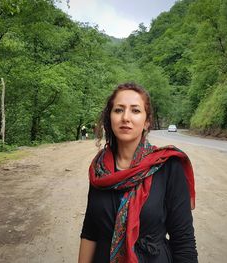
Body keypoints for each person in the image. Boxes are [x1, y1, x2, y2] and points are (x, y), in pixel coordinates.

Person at [78, 83, 198, 263]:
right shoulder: (100, 169)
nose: (125, 117)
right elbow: (90, 230)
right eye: (118, 110)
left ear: (147, 121)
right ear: (109, 117)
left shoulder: (168, 166)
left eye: (135, 111)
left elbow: (183, 240)